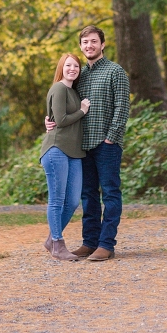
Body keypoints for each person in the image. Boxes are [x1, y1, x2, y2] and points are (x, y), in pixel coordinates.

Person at [45, 25, 130, 262]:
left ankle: (106, 244)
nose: (89, 46)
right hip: (81, 146)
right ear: (81, 46)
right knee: (88, 195)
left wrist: (111, 137)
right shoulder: (79, 74)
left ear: (102, 44)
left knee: (110, 193)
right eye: (85, 42)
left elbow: (122, 107)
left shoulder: (115, 72)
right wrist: (49, 119)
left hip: (107, 144)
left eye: (93, 41)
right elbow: (63, 103)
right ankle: (90, 242)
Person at [39, 52, 90, 261]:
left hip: (74, 151)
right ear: (61, 67)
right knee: (57, 199)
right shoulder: (59, 88)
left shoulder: (73, 92)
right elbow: (59, 120)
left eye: (76, 66)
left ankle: (51, 239)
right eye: (68, 65)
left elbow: (55, 117)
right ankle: (58, 245)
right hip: (56, 149)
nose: (72, 69)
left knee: (72, 200)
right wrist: (82, 111)